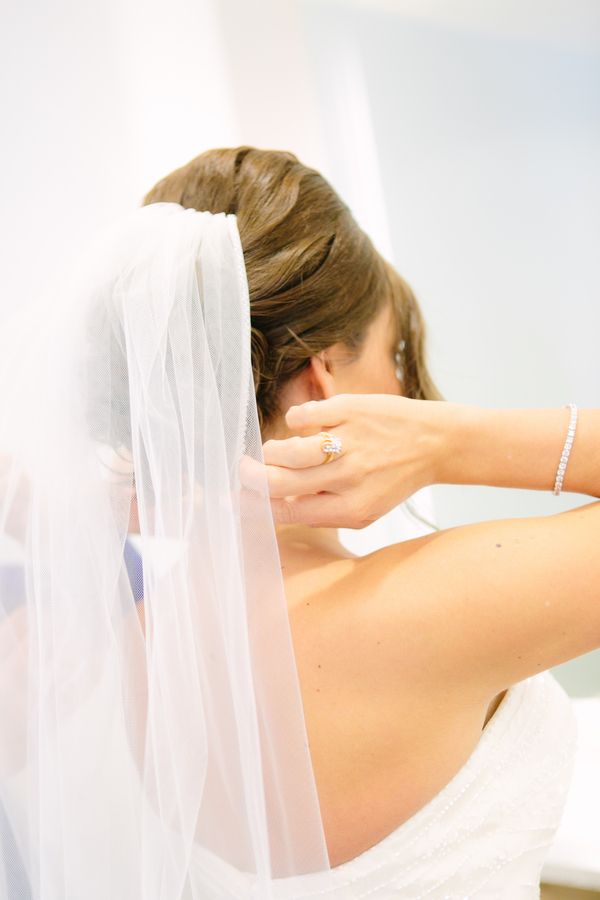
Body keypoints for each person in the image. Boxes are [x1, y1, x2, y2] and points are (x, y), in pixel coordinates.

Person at [0, 145, 598, 900]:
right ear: (323, 373)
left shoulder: (135, 641)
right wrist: (451, 441)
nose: (406, 385)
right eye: (395, 351)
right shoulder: (435, 605)